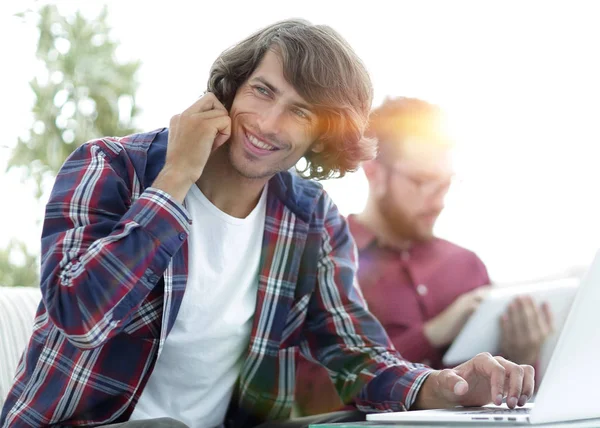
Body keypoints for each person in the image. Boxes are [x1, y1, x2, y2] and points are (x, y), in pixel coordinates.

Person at [1, 21, 534, 428]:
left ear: (321, 138)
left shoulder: (310, 218)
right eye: (262, 91)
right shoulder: (109, 167)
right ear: (232, 87)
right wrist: (176, 179)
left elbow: (355, 356)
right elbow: (79, 315)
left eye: (301, 112)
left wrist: (448, 386)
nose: (269, 124)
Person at [295, 97, 553, 416]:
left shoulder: (467, 266)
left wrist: (522, 357)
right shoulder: (326, 257)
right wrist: (432, 333)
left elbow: (508, 408)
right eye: (421, 181)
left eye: (444, 184)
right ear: (374, 173)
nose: (439, 200)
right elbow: (311, 391)